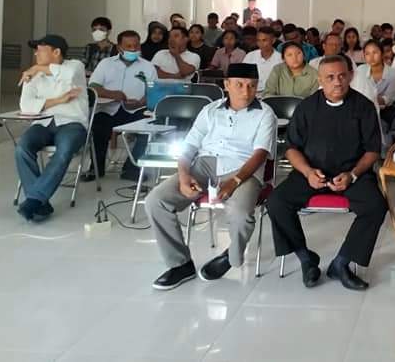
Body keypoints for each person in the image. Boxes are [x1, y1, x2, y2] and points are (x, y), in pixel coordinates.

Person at [145, 63, 277, 290]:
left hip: (244, 169)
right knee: (156, 201)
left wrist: (235, 181)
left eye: (252, 86)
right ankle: (180, 264)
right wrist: (183, 175)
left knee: (241, 214)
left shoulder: (265, 114)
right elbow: (188, 146)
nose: (246, 91)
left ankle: (231, 257)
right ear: (227, 85)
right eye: (239, 85)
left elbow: (260, 154)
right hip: (204, 165)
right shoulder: (210, 110)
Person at [267, 56, 387, 291]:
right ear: (320, 80)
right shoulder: (307, 107)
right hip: (311, 173)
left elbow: (373, 150)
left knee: (376, 206)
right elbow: (291, 148)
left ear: (350, 76)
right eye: (330, 77)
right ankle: (306, 259)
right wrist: (307, 172)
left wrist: (352, 174)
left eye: (342, 76)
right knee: (276, 202)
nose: (337, 82)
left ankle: (341, 263)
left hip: (353, 174)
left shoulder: (364, 107)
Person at [14, 35, 89, 222]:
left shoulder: (76, 66)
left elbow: (67, 75)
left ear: (56, 52)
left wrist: (36, 69)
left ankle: (34, 199)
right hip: (43, 123)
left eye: (40, 50)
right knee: (22, 147)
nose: (36, 54)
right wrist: (59, 100)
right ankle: (40, 202)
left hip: (72, 123)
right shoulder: (32, 76)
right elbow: (26, 107)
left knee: (64, 151)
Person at [84, 30, 157, 181]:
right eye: (128, 46)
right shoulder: (106, 64)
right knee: (98, 126)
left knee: (148, 128)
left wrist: (141, 102)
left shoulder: (148, 67)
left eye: (136, 46)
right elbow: (93, 87)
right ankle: (96, 168)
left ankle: (131, 169)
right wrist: (114, 94)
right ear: (119, 47)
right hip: (109, 109)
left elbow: (152, 92)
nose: (133, 49)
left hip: (136, 109)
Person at [354, 39, 395, 138]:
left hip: (384, 112)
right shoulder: (360, 70)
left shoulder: (393, 73)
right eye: (367, 54)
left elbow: (388, 99)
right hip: (361, 110)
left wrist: (371, 98)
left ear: (382, 53)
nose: (371, 57)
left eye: (375, 52)